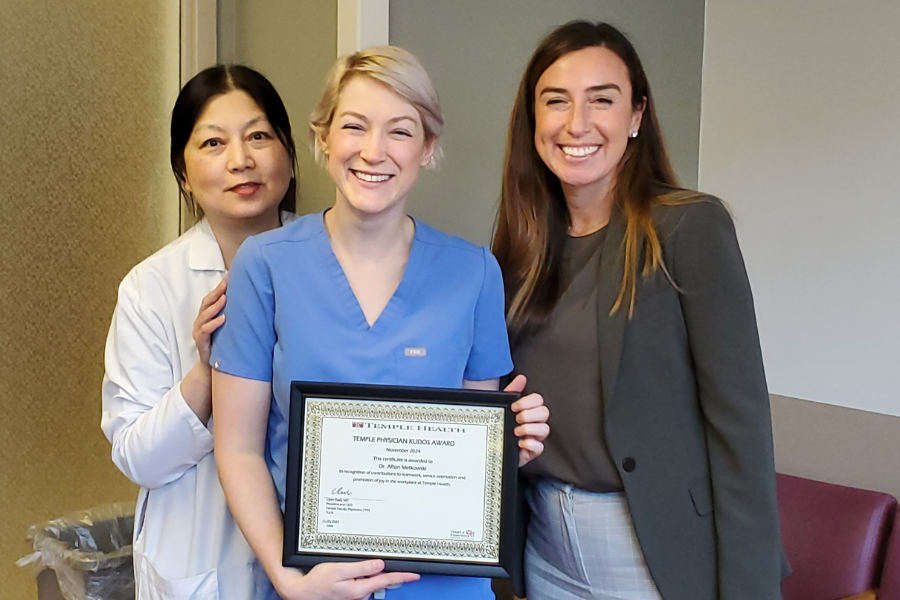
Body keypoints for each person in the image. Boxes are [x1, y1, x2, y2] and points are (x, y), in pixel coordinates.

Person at [210, 46, 550, 600]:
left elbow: (473, 444)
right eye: (354, 126)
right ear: (322, 138)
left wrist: (508, 446)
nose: (374, 151)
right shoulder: (265, 266)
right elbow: (238, 448)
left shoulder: (473, 274)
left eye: (400, 131)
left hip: (443, 588)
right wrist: (289, 579)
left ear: (428, 148)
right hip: (311, 585)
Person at [492, 21, 786, 600]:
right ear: (533, 121)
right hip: (544, 548)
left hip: (652, 552)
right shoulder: (517, 249)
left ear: (636, 116)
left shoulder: (689, 227)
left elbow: (740, 424)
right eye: (556, 101)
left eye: (602, 100)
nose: (578, 123)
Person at [101, 65, 299, 600]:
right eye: (213, 142)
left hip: (319, 557)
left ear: (289, 152)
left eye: (259, 136)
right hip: (203, 563)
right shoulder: (151, 288)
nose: (241, 160)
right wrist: (207, 371)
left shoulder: (336, 264)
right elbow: (137, 456)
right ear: (183, 172)